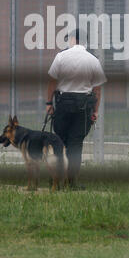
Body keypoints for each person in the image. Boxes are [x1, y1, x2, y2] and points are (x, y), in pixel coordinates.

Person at [46, 28, 106, 189]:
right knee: (75, 144)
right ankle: (72, 183)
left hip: (63, 104)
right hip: (83, 107)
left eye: (69, 39)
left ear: (73, 39)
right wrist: (95, 111)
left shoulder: (61, 57)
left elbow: (52, 82)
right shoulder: (93, 60)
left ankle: (56, 181)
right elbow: (97, 89)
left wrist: (49, 104)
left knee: (60, 143)